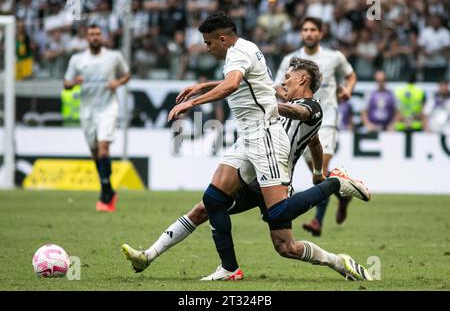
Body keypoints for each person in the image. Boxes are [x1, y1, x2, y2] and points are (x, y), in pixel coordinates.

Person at [122, 57, 372, 281]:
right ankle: (148, 256)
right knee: (206, 207)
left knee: (286, 248)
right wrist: (203, 86)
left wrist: (271, 107)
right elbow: (243, 85)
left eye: (288, 77)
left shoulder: (313, 107)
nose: (283, 81)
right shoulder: (281, 100)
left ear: (303, 79)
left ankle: (337, 229)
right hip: (253, 177)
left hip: (277, 181)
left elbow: (299, 113)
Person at [274, 17, 357, 236]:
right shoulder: (290, 59)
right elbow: (279, 86)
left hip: (327, 119)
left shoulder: (334, 57)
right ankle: (342, 192)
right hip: (300, 123)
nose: (309, 33)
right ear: (301, 33)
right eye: (305, 30)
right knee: (319, 174)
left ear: (321, 33)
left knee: (320, 170)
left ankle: (317, 221)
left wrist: (348, 89)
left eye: (313, 30)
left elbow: (351, 75)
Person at [63, 24, 131, 212]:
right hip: (87, 111)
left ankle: (105, 193)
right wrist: (74, 82)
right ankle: (108, 189)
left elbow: (126, 75)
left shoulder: (113, 57)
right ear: (86, 37)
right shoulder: (77, 60)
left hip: (108, 108)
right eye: (91, 34)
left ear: (102, 37)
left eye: (98, 34)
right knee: (94, 153)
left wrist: (116, 83)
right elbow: (66, 84)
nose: (95, 37)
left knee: (103, 149)